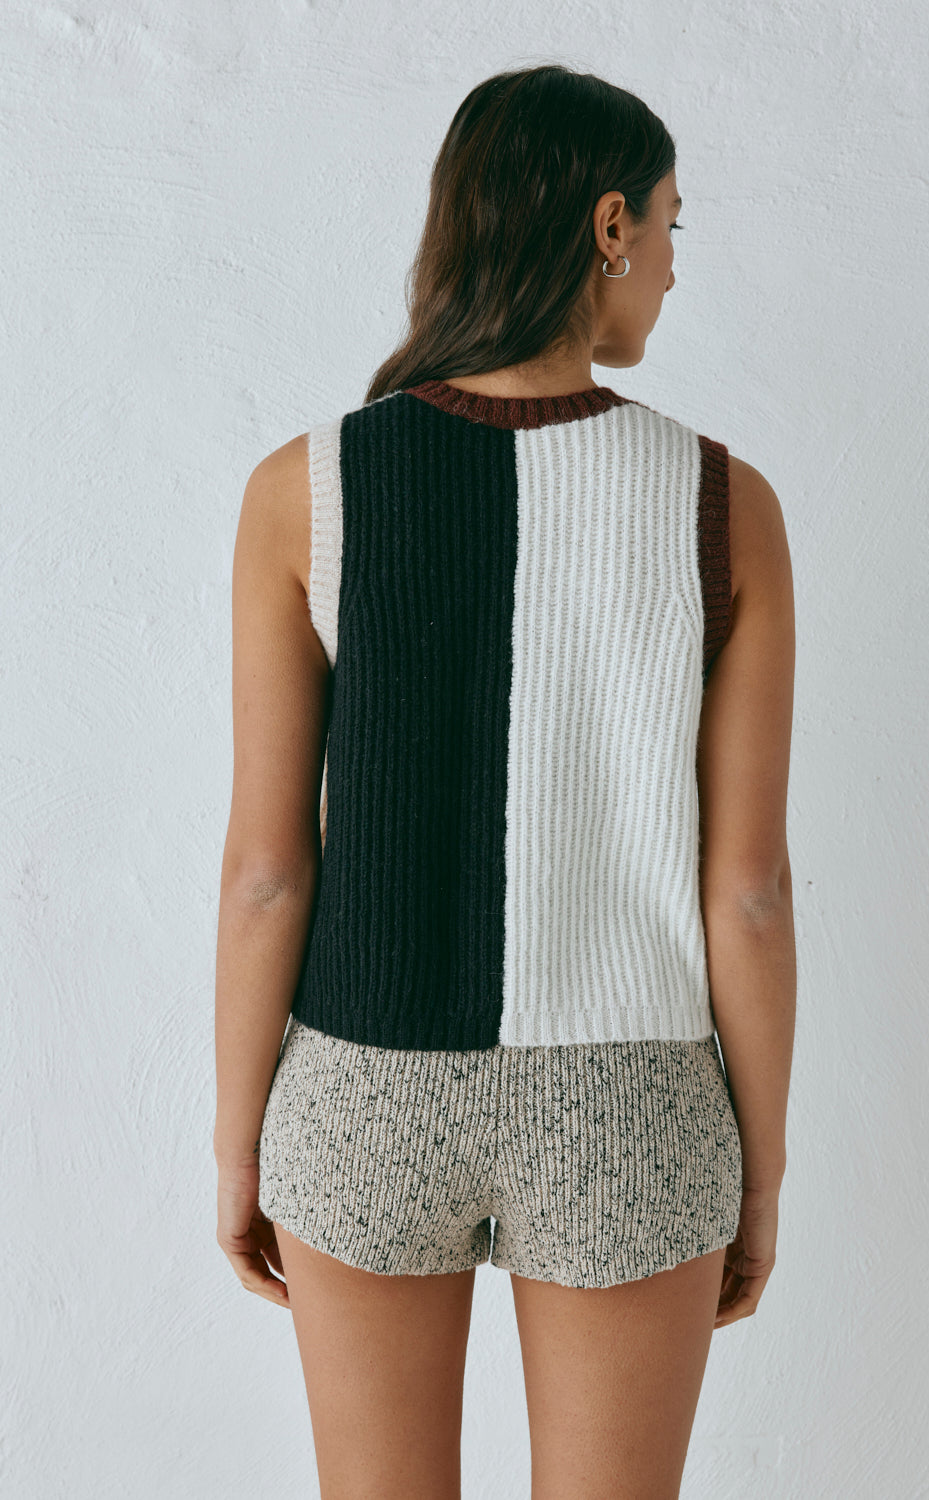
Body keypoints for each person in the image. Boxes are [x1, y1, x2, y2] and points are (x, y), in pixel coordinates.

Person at [213, 62, 796, 1500]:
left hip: (365, 1091)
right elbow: (749, 893)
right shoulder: (724, 505)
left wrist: (240, 1148)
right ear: (609, 225)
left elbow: (267, 872)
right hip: (634, 1107)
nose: (672, 263)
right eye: (669, 224)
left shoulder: (308, 488)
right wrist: (759, 1174)